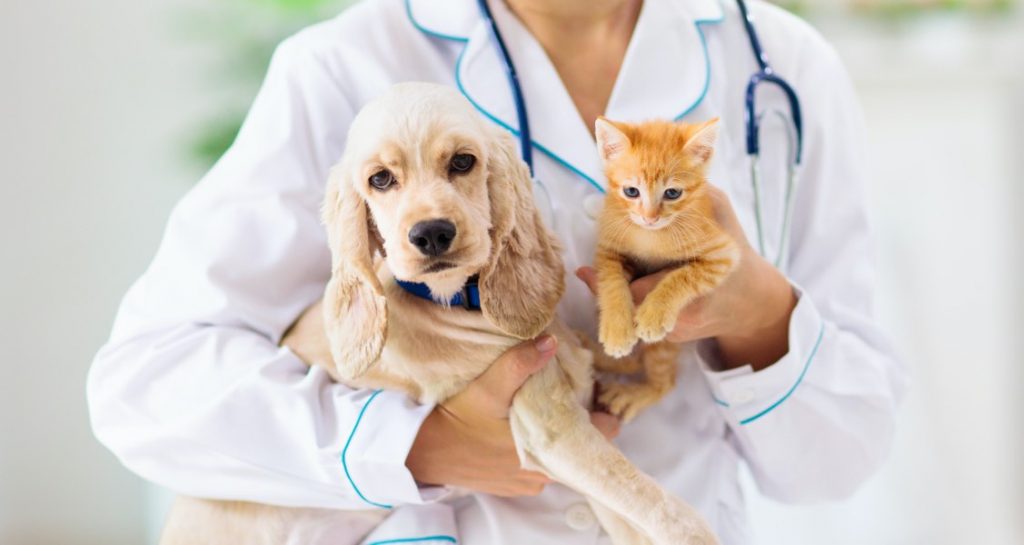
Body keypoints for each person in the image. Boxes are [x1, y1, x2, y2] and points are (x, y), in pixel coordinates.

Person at [87, 0, 907, 543]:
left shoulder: (785, 67)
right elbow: (145, 386)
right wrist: (415, 443)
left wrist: (760, 311)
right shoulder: (342, 66)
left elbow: (838, 459)